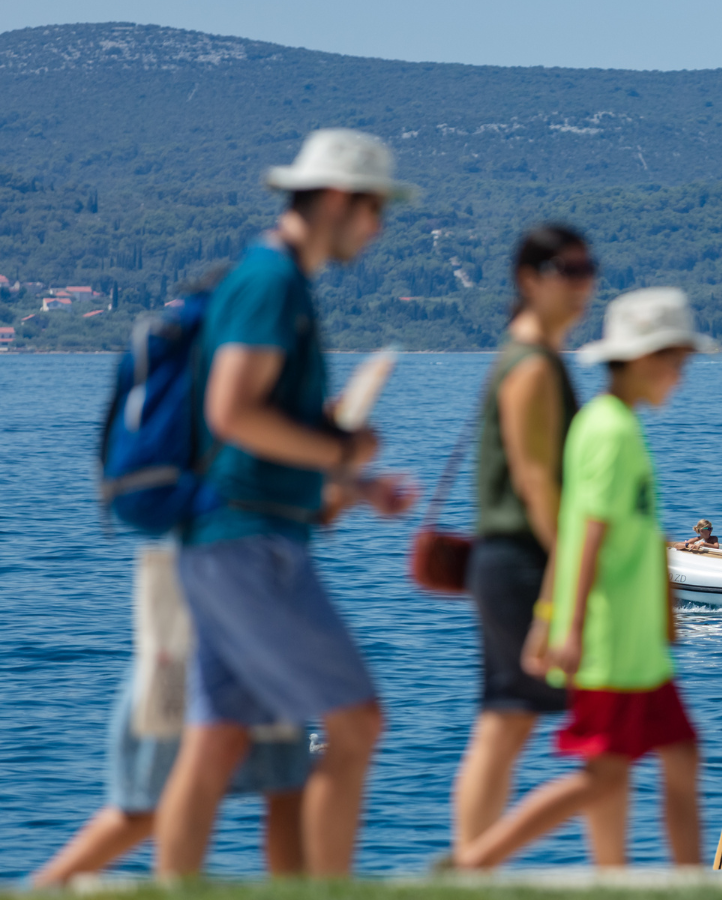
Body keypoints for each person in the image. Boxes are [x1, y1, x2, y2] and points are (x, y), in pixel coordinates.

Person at [154, 129, 417, 878]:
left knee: (218, 740)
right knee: (359, 722)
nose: (379, 228)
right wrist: (342, 452)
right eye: (376, 210)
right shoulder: (271, 283)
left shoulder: (277, 282)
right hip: (246, 545)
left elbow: (258, 431)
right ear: (337, 199)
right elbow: (232, 412)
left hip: (230, 538)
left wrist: (356, 486)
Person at [455, 287, 714, 870]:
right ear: (645, 360)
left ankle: (669, 879)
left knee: (679, 755)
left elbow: (622, 535)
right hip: (610, 646)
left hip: (638, 646)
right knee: (603, 778)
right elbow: (586, 536)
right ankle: (474, 865)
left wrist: (664, 612)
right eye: (677, 363)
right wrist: (563, 626)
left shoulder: (619, 425)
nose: (681, 376)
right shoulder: (608, 431)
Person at [450, 225, 594, 859]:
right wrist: (572, 582)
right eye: (568, 269)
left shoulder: (533, 355)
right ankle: (472, 861)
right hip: (522, 559)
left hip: (510, 558)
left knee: (506, 722)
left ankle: (472, 859)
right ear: (529, 279)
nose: (584, 283)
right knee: (515, 721)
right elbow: (539, 485)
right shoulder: (533, 365)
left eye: (589, 268)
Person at [33, 671, 309, 887]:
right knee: (151, 806)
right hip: (211, 640)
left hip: (262, 642)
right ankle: (46, 887)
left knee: (289, 786)